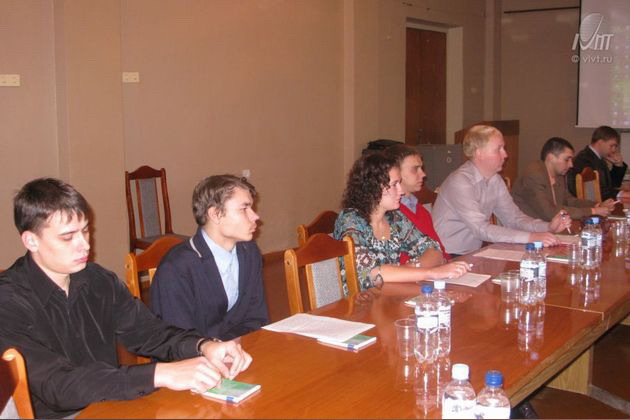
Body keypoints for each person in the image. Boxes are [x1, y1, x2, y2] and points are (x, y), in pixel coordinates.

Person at [0, 178, 252, 419]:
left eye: (85, 231)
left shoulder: (97, 280)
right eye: (68, 237)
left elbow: (150, 332)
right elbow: (59, 386)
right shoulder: (8, 301)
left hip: (110, 401)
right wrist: (158, 374)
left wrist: (203, 346)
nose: (84, 245)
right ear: (31, 240)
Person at [151, 175, 268, 341]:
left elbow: (257, 318)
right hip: (195, 355)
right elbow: (178, 341)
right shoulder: (177, 268)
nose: (255, 216)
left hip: (240, 349)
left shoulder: (249, 252)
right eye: (244, 208)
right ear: (215, 214)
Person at [333, 152, 470, 292]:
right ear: (373, 188)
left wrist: (412, 267)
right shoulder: (350, 220)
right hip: (361, 302)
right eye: (394, 184)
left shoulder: (394, 218)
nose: (401, 191)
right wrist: (430, 273)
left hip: (390, 296)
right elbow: (370, 273)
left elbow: (433, 249)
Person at [433, 125, 572, 256]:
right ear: (479, 153)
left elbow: (513, 218)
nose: (505, 154)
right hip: (446, 255)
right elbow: (480, 229)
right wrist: (531, 237)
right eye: (498, 149)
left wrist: (548, 227)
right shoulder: (460, 181)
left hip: (471, 253)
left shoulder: (495, 179)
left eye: (503, 148)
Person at [512, 137, 616, 221]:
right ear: (551, 158)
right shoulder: (534, 175)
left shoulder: (558, 175)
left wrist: (597, 205)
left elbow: (569, 200)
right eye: (567, 159)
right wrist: (592, 211)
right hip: (529, 228)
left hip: (550, 226)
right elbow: (550, 213)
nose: (571, 165)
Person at [384, 144, 450, 260]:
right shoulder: (389, 214)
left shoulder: (421, 210)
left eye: (421, 168)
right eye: (415, 169)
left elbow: (439, 250)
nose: (423, 174)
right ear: (395, 172)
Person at [567, 125, 627, 201]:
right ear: (600, 142)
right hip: (590, 205)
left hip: (602, 203)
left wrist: (618, 165)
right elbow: (593, 191)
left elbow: (612, 185)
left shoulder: (597, 158)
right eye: (612, 146)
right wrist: (621, 194)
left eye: (615, 147)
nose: (614, 150)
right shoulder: (583, 160)